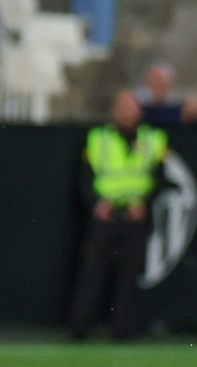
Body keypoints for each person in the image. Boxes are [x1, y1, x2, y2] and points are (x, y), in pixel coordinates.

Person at [70, 89, 167, 339]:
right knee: (93, 273)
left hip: (135, 216)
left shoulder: (153, 140)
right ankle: (80, 328)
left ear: (140, 110)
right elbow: (84, 177)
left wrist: (144, 203)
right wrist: (95, 204)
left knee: (129, 276)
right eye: (121, 105)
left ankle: (123, 330)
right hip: (105, 214)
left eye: (130, 105)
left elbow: (160, 178)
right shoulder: (97, 138)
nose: (125, 111)